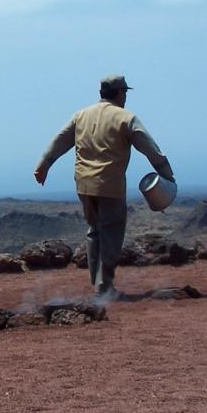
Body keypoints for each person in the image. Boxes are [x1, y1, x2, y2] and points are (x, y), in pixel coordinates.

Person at [34, 74, 174, 300]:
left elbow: (60, 140)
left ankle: (98, 283)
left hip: (84, 184)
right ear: (120, 93)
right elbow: (150, 149)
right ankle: (104, 287)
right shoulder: (125, 118)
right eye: (125, 92)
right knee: (111, 233)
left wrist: (44, 164)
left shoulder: (81, 115)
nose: (126, 96)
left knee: (94, 231)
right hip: (110, 184)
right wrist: (167, 174)